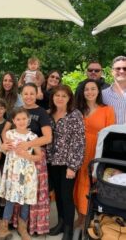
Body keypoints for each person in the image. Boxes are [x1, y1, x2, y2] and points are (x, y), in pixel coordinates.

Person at [2, 83, 52, 236]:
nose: (29, 96)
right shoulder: (17, 111)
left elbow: (48, 137)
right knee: (13, 193)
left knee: (28, 194)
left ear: (37, 94)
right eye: (25, 93)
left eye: (32, 93)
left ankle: (25, 225)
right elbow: (5, 132)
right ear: (21, 94)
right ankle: (7, 223)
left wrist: (27, 146)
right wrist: (7, 144)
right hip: (15, 161)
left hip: (32, 159)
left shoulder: (41, 112)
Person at [0, 107, 42, 240]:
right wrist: (3, 147)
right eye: (18, 119)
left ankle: (22, 228)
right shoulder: (9, 134)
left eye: (24, 119)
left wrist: (28, 155)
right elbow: (4, 149)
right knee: (10, 199)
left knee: (25, 202)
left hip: (27, 174)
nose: (21, 121)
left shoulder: (33, 137)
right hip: (13, 173)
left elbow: (39, 156)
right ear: (14, 121)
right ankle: (3, 226)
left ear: (28, 120)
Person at [74, 79, 115, 228]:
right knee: (76, 185)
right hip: (78, 152)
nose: (89, 92)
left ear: (99, 91)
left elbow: (110, 136)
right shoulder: (78, 110)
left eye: (93, 89)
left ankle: (88, 219)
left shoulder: (107, 110)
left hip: (96, 152)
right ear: (82, 92)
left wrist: (104, 159)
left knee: (89, 184)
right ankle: (80, 217)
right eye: (86, 89)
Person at [46, 84, 85, 240]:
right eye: (57, 95)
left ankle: (68, 229)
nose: (60, 98)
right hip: (52, 162)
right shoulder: (49, 114)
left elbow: (79, 142)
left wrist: (73, 166)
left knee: (66, 196)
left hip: (68, 164)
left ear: (69, 98)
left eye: (64, 96)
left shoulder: (75, 115)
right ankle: (61, 223)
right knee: (59, 196)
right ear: (52, 97)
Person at [102, 55, 126, 124]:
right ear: (112, 72)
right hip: (110, 134)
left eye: (125, 68)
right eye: (118, 68)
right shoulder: (103, 95)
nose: (121, 71)